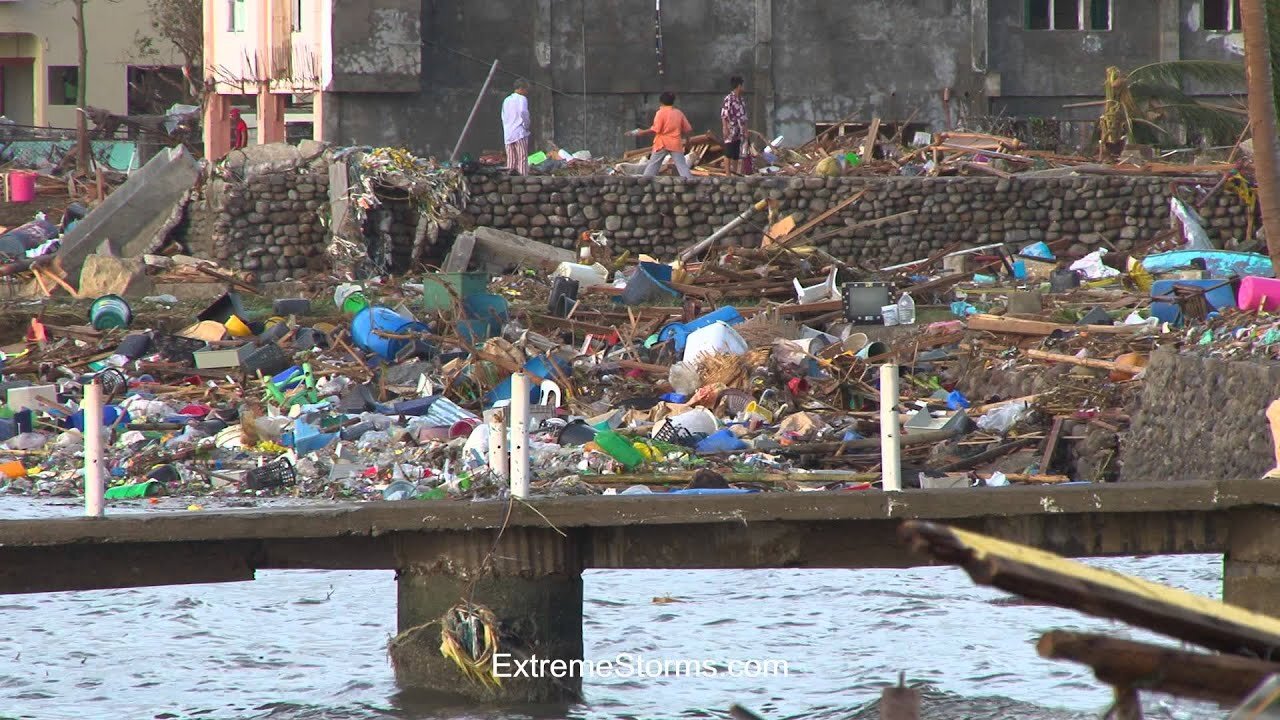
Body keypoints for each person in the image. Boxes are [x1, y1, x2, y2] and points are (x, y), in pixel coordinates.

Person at [632, 91, 693, 179]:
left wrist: (642, 132)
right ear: (673, 101)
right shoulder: (679, 113)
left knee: (653, 165)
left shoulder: (660, 113)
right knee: (682, 166)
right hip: (675, 144)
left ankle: (645, 181)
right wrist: (688, 141)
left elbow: (656, 129)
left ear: (661, 102)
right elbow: (688, 129)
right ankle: (690, 181)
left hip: (661, 144)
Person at [502, 79, 532, 175]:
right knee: (522, 158)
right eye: (526, 89)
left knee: (511, 159)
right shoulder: (522, 99)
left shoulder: (506, 100)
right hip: (519, 132)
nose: (527, 92)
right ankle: (522, 179)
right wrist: (526, 126)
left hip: (508, 134)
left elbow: (503, 116)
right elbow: (524, 113)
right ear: (521, 89)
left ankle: (509, 180)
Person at [720, 75, 747, 174]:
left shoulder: (741, 100)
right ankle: (728, 174)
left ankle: (734, 173)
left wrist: (745, 130)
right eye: (743, 85)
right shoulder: (729, 99)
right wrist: (725, 127)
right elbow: (724, 114)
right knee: (728, 152)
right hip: (731, 129)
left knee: (736, 153)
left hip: (739, 130)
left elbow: (744, 117)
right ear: (739, 86)